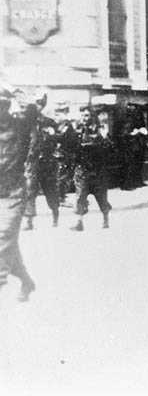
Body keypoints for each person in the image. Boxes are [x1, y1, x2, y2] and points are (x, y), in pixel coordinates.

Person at [0, 81, 37, 301]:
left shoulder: (19, 127)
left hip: (13, 195)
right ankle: (27, 281)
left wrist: (16, 90)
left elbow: (32, 108)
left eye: (2, 105)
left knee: (3, 237)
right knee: (9, 247)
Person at [70, 107, 112, 231]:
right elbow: (73, 147)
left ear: (92, 117)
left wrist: (104, 138)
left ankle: (106, 219)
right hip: (82, 170)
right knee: (80, 196)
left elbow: (109, 147)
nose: (84, 118)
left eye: (87, 115)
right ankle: (79, 222)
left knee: (101, 197)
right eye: (82, 115)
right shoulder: (78, 130)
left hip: (97, 170)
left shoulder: (100, 131)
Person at [23, 99, 61, 230]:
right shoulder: (26, 124)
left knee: (50, 190)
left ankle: (55, 215)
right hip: (32, 163)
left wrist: (52, 138)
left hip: (47, 162)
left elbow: (59, 139)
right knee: (29, 191)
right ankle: (29, 221)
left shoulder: (49, 122)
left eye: (38, 105)